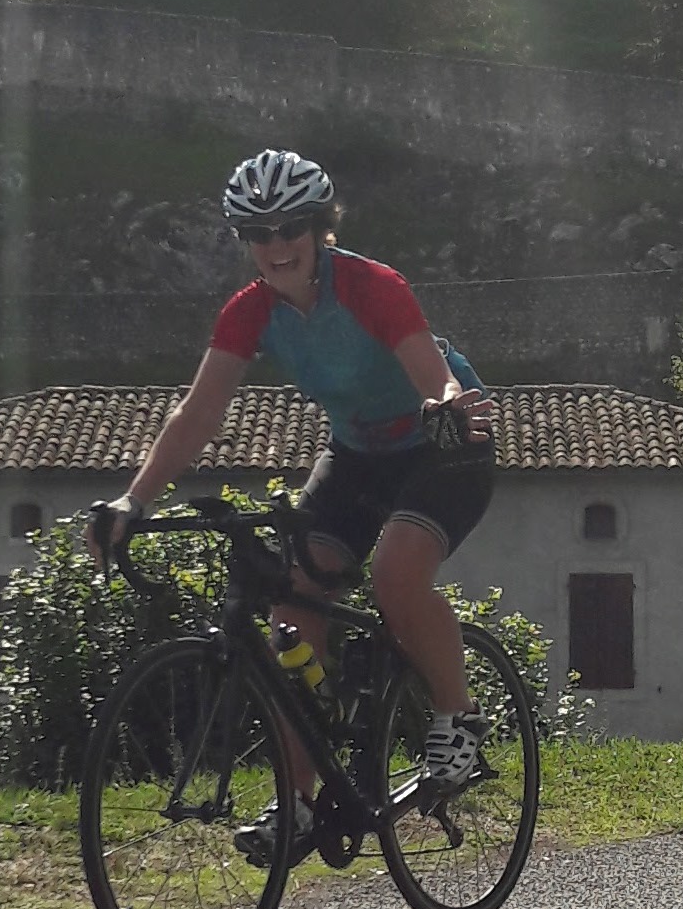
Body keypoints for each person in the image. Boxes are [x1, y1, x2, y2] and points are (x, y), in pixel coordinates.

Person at [88, 147, 496, 860]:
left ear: (317, 227)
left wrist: (448, 403)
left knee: (397, 574)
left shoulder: (372, 286)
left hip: (442, 443)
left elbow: (433, 374)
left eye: (288, 229)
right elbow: (197, 413)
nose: (275, 246)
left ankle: (457, 718)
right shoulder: (250, 312)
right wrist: (132, 500)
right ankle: (300, 802)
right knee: (289, 614)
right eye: (258, 233)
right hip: (358, 454)